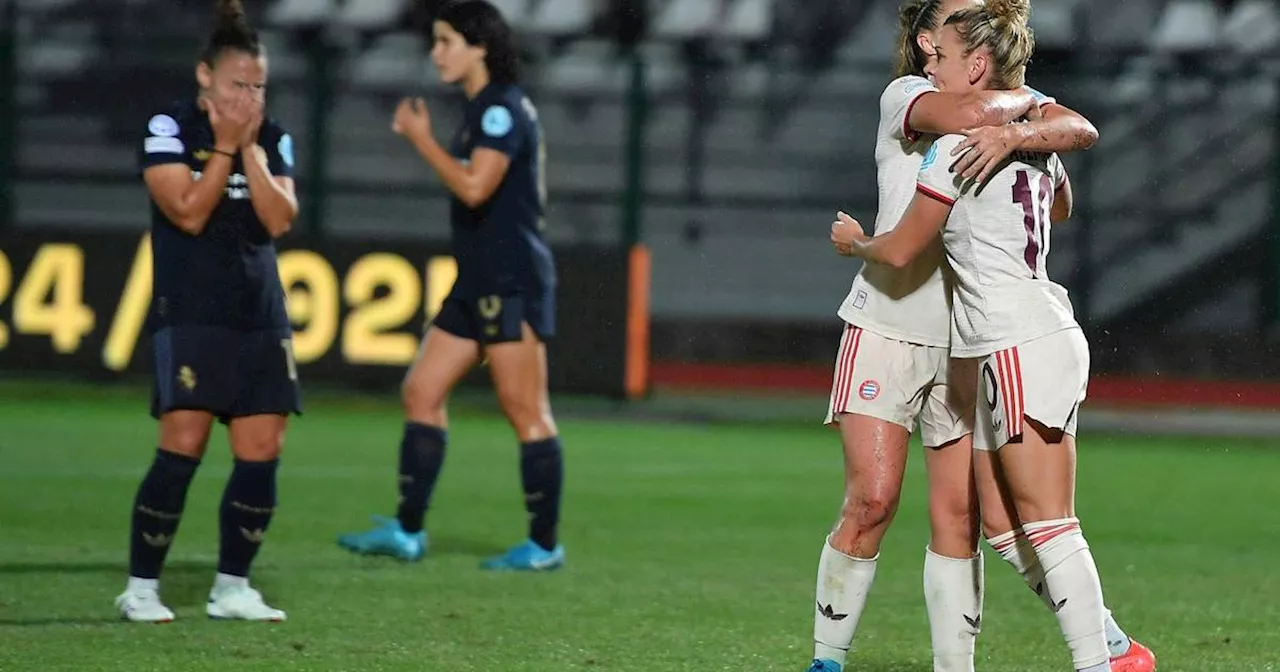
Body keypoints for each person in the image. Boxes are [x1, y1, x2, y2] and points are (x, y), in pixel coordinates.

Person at [808, 0, 1154, 670]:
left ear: (976, 56)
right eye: (934, 33)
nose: (930, 49)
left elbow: (907, 244)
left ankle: (1089, 655)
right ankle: (1106, 646)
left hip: (986, 335)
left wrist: (856, 243)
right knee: (943, 509)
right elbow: (1063, 168)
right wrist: (1028, 121)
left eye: (949, 39)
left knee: (1005, 520)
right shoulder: (915, 95)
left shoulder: (961, 144)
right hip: (945, 325)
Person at [337, 0, 565, 572]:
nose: (436, 52)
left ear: (478, 46)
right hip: (478, 279)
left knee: (526, 412)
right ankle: (408, 531)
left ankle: (543, 546)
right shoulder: (481, 108)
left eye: (445, 41)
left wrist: (419, 138)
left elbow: (473, 187)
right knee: (421, 392)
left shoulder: (499, 111)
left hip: (510, 280)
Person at [116, 0, 299, 623]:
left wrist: (248, 149)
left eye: (258, 85)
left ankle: (233, 586)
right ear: (204, 77)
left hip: (260, 311)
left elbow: (278, 219)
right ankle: (141, 588)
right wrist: (224, 146)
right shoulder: (167, 128)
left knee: (262, 447)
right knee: (183, 443)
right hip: (191, 308)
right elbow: (189, 211)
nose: (248, 96)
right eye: (236, 84)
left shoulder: (273, 138)